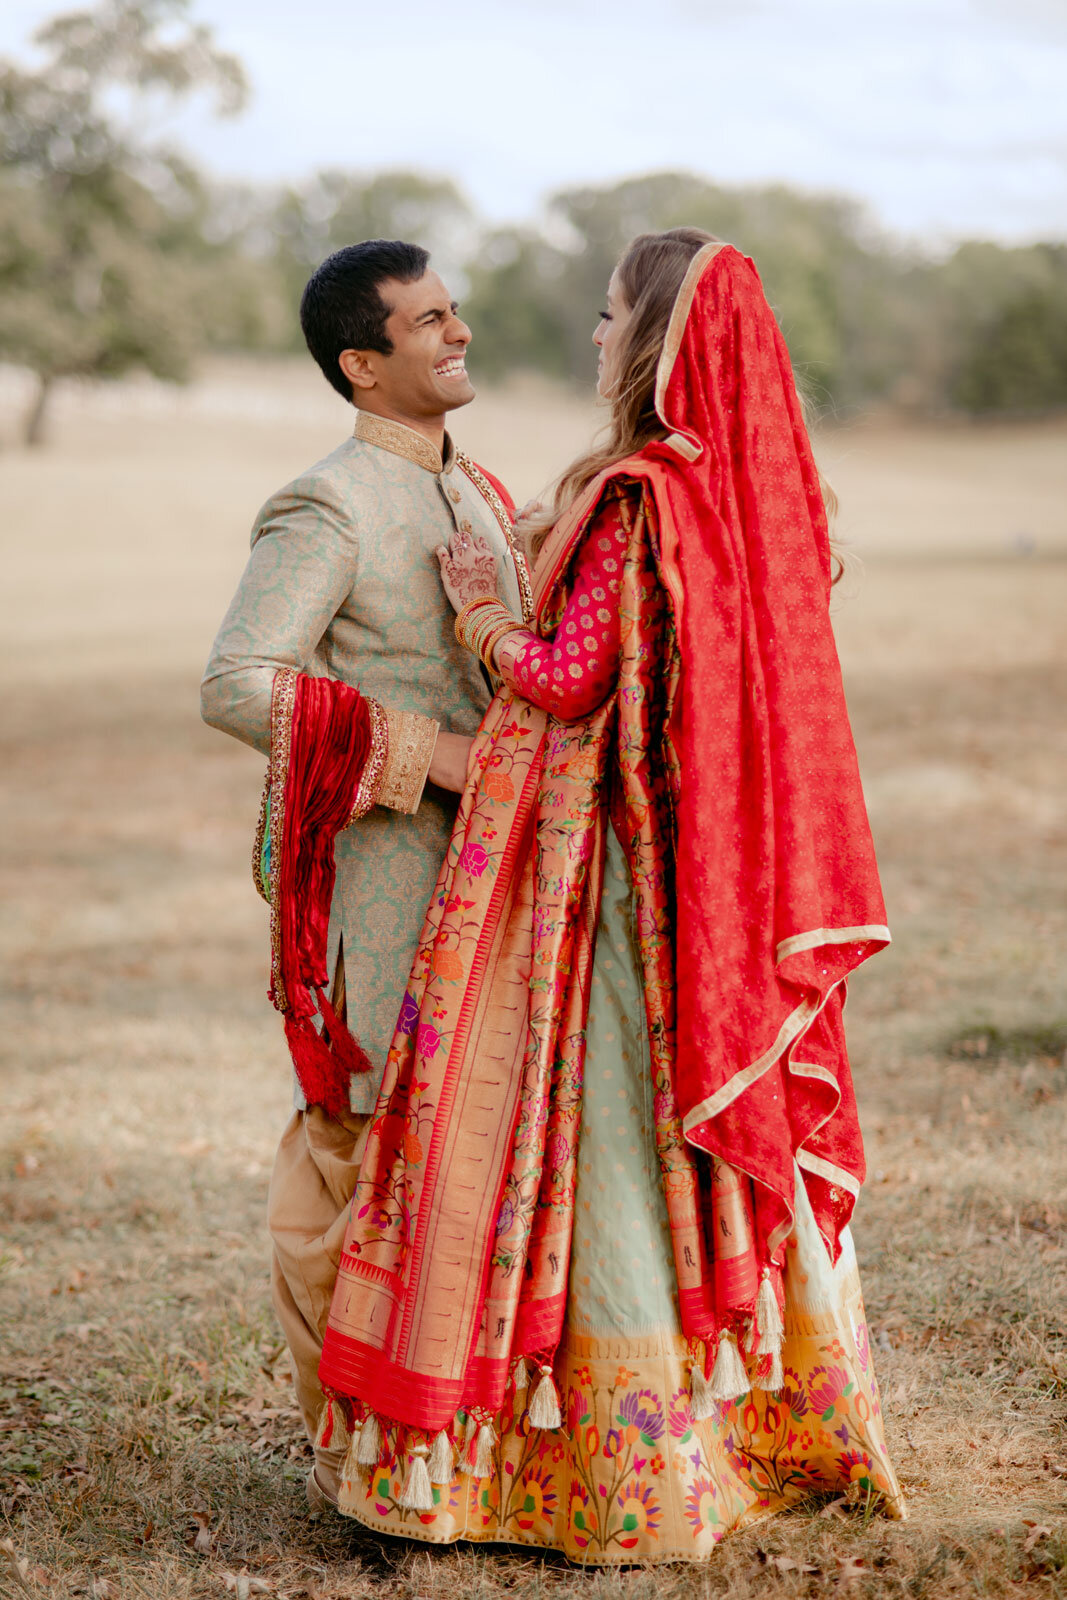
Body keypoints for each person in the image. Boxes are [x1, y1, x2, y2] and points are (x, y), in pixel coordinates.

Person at [315, 230, 904, 1563]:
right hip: (707, 878)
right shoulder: (750, 495)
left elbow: (568, 677)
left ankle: (618, 1469)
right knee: (671, 1154)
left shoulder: (643, 495)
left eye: (604, 317)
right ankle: (737, 1424)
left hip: (610, 884)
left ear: (651, 340)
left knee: (605, 1152)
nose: (591, 339)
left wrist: (477, 608)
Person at [200, 239, 532, 1511]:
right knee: (370, 1165)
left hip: (500, 889)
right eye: (428, 322)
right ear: (362, 363)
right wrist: (431, 756)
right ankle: (370, 1466)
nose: (458, 334)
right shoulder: (328, 504)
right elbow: (237, 680)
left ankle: (474, 1460)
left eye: (456, 312)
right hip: (389, 891)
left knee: (483, 1166)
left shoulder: (481, 493)